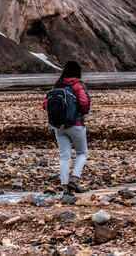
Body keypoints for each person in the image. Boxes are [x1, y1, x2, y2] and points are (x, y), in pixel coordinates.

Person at [42, 61, 91, 195]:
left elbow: (44, 104)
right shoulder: (78, 85)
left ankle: (65, 188)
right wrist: (80, 112)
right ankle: (74, 180)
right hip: (75, 124)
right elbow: (84, 103)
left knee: (64, 157)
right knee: (82, 153)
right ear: (78, 71)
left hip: (58, 126)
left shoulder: (57, 86)